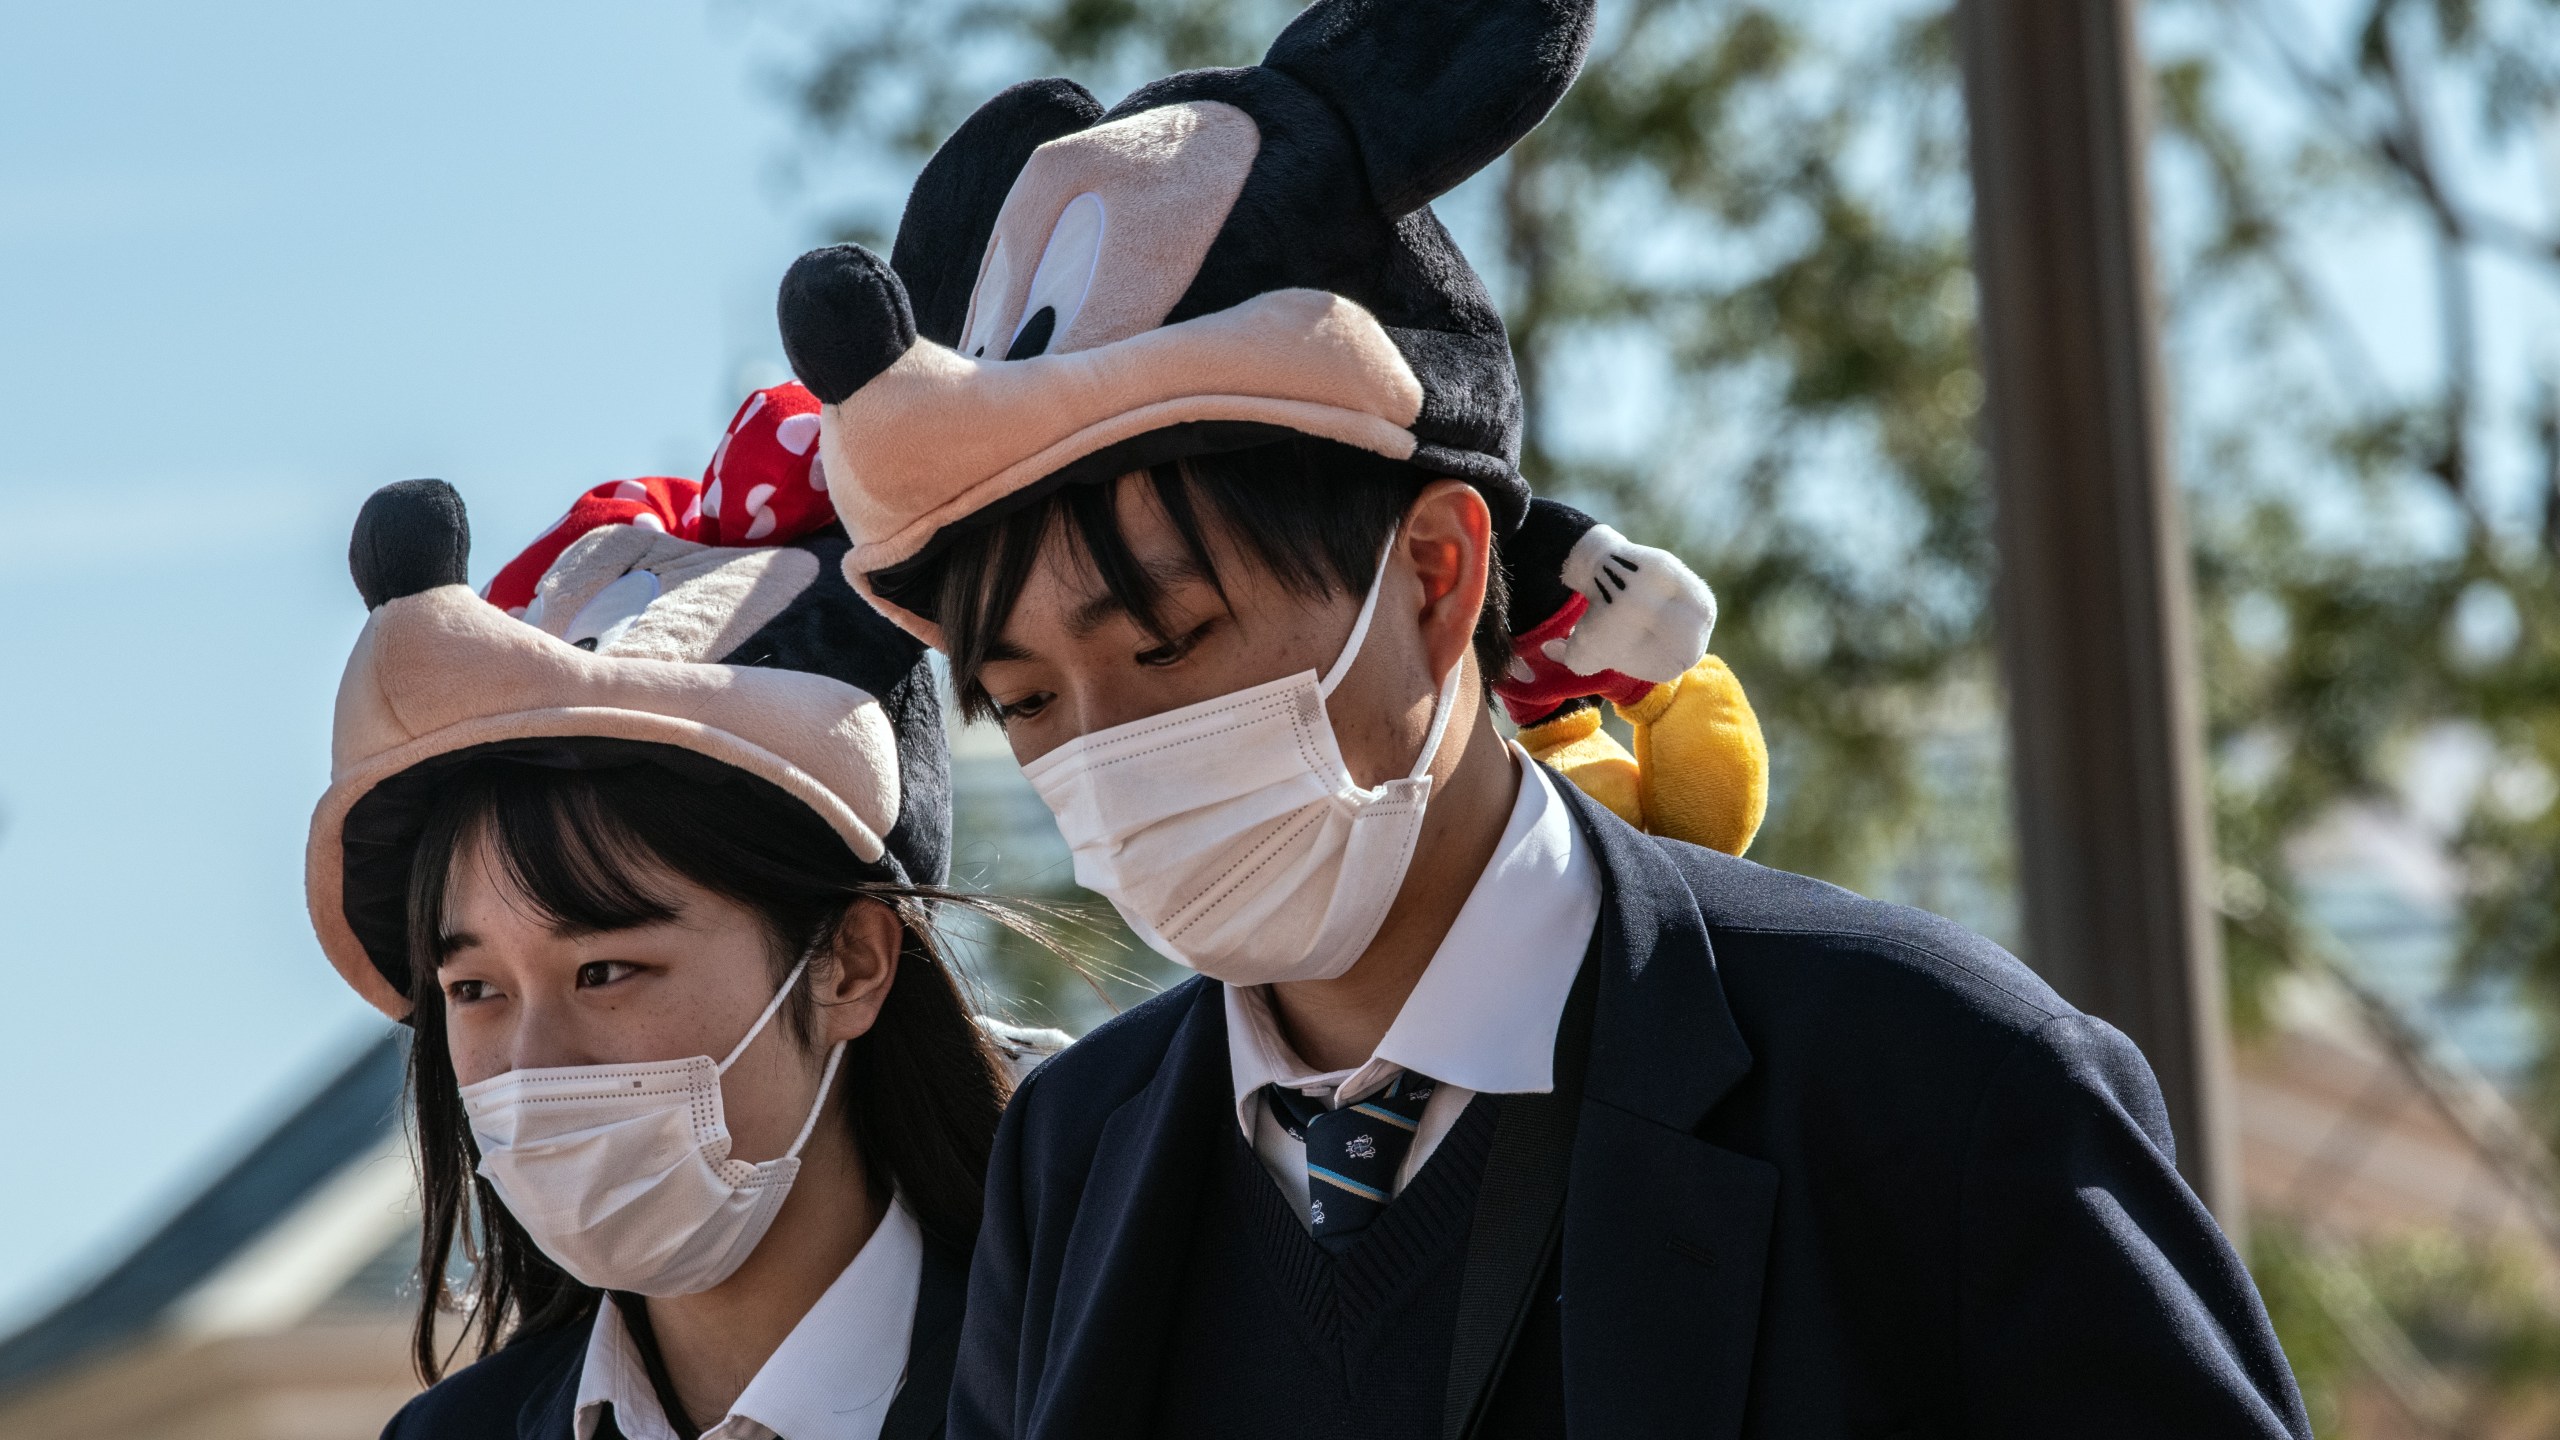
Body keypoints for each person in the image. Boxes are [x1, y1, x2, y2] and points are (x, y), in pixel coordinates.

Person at [772, 1, 2313, 1435]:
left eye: (1167, 641)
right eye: (1028, 701)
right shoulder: (1074, 1156)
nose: (1101, 750)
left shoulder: (1940, 1085)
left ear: (1439, 574)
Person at [304, 387, 1058, 1440]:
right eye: (472, 989)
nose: (534, 1061)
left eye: (605, 969)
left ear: (849, 964)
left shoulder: (1101, 1369)